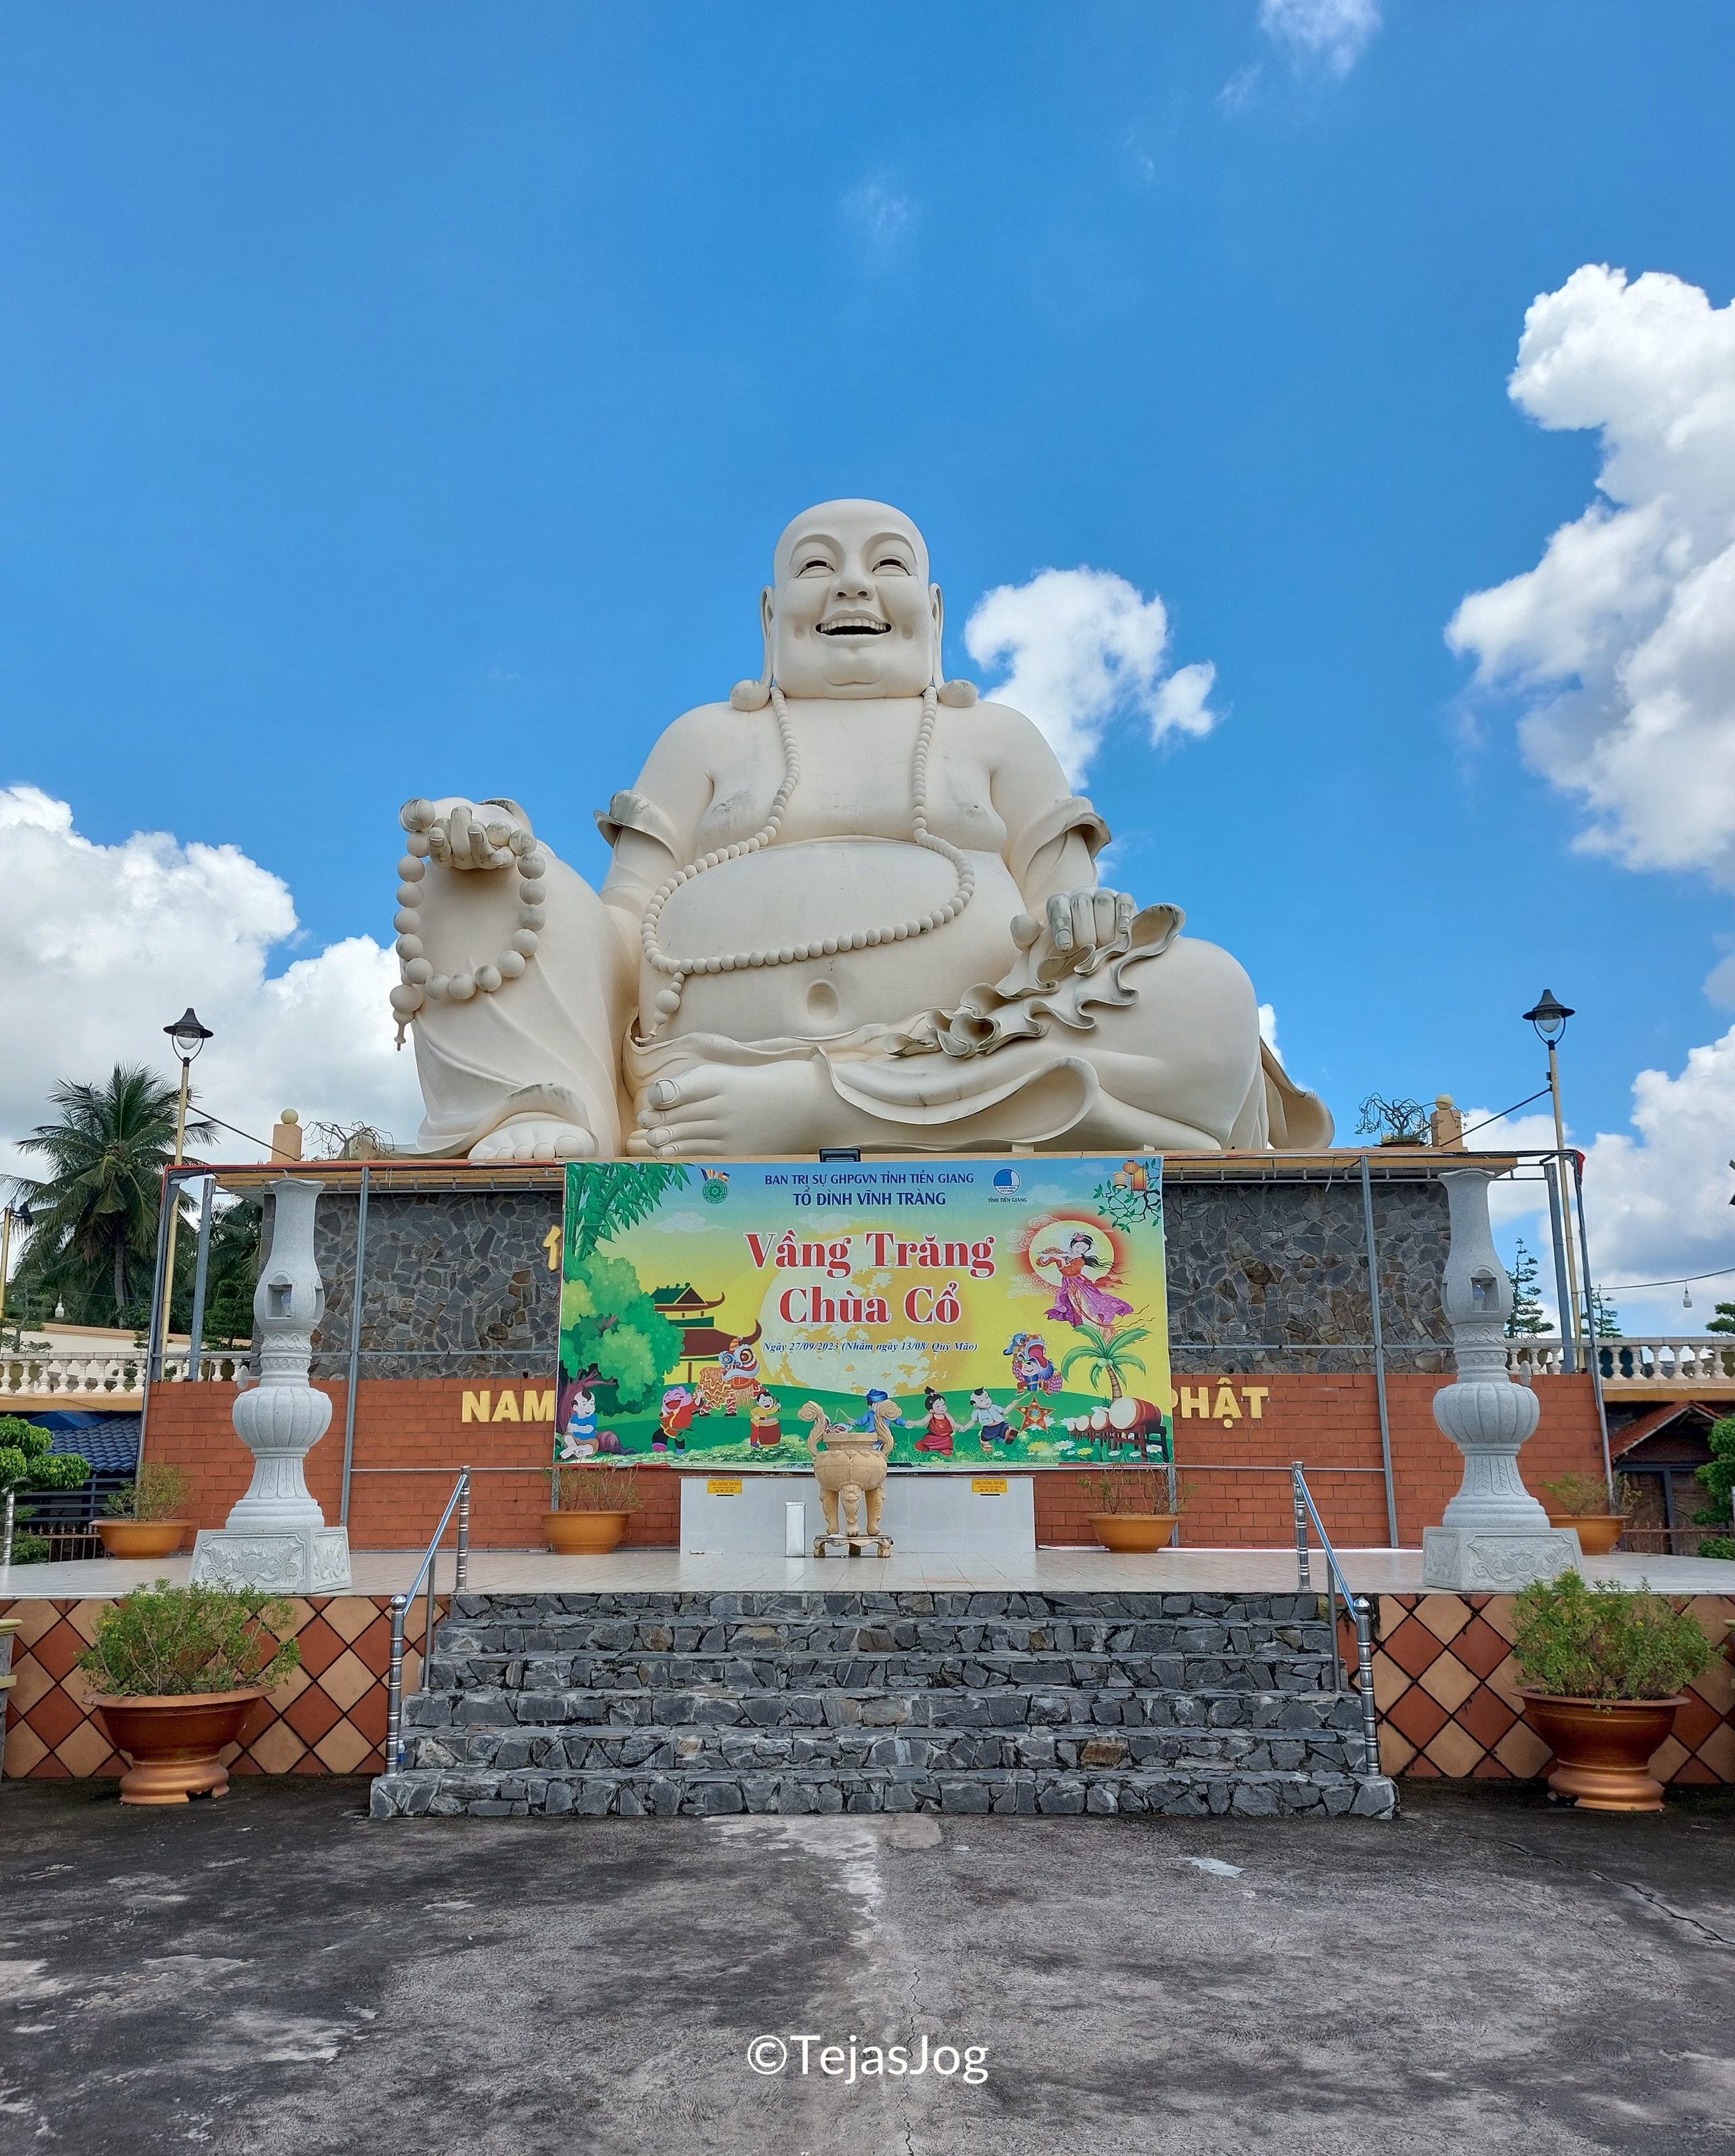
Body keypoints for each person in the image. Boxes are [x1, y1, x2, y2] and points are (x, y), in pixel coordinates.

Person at [393, 501, 1332, 1161]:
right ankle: (556, 1100)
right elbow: (622, 928)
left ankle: (813, 1106)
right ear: (771, 615)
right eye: (815, 566)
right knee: (470, 870)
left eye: (887, 564)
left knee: (1210, 995)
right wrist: (509, 852)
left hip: (967, 1057)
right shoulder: (705, 738)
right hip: (692, 1065)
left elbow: (1073, 928)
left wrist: (1084, 918)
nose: (850, 586)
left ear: (935, 611)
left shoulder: (996, 736)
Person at [1038, 1232, 1135, 1330]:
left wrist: (1060, 1259)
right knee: (1075, 1307)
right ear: (1073, 1244)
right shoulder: (1064, 1255)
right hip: (1068, 1285)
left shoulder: (1080, 1260)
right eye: (1078, 1246)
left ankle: (1098, 1327)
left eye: (1084, 1249)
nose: (1080, 1250)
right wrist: (1046, 1258)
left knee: (1086, 1305)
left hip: (1079, 1284)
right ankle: (1087, 1326)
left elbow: (1068, 1272)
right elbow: (1041, 1263)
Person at [968, 1386, 1011, 1452]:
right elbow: (972, 1421)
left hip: (1002, 1424)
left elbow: (1005, 1411)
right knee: (986, 1437)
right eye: (981, 1400)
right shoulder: (977, 1412)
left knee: (1007, 1426)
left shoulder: (994, 1407)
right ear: (975, 1405)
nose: (986, 1401)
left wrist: (1011, 1405)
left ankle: (1002, 1437)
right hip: (989, 1429)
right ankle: (984, 1441)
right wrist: (964, 1427)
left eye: (986, 1397)